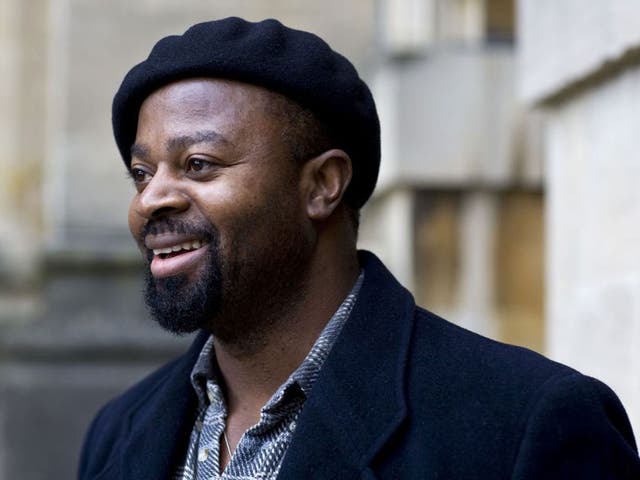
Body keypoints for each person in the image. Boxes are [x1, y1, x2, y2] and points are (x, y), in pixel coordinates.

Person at [78, 17, 640, 480]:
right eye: (141, 173)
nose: (151, 200)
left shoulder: (528, 425)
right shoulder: (118, 433)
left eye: (198, 165)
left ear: (323, 185)